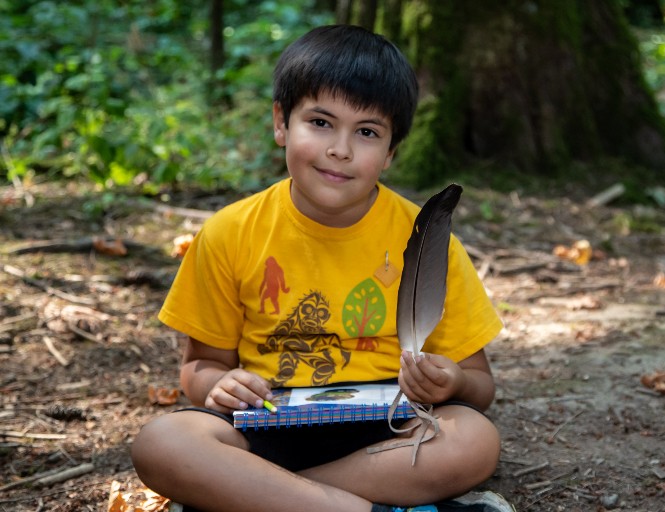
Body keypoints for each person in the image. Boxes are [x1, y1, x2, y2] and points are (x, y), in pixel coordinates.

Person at [130, 25, 512, 512]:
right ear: (281, 123)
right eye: (321, 122)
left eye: (368, 132)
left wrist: (453, 383)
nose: (341, 149)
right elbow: (201, 367)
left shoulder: (427, 240)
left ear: (392, 151)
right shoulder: (230, 232)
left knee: (474, 439)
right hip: (264, 424)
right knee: (163, 442)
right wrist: (218, 385)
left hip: (386, 433)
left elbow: (480, 387)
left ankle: (265, 494)